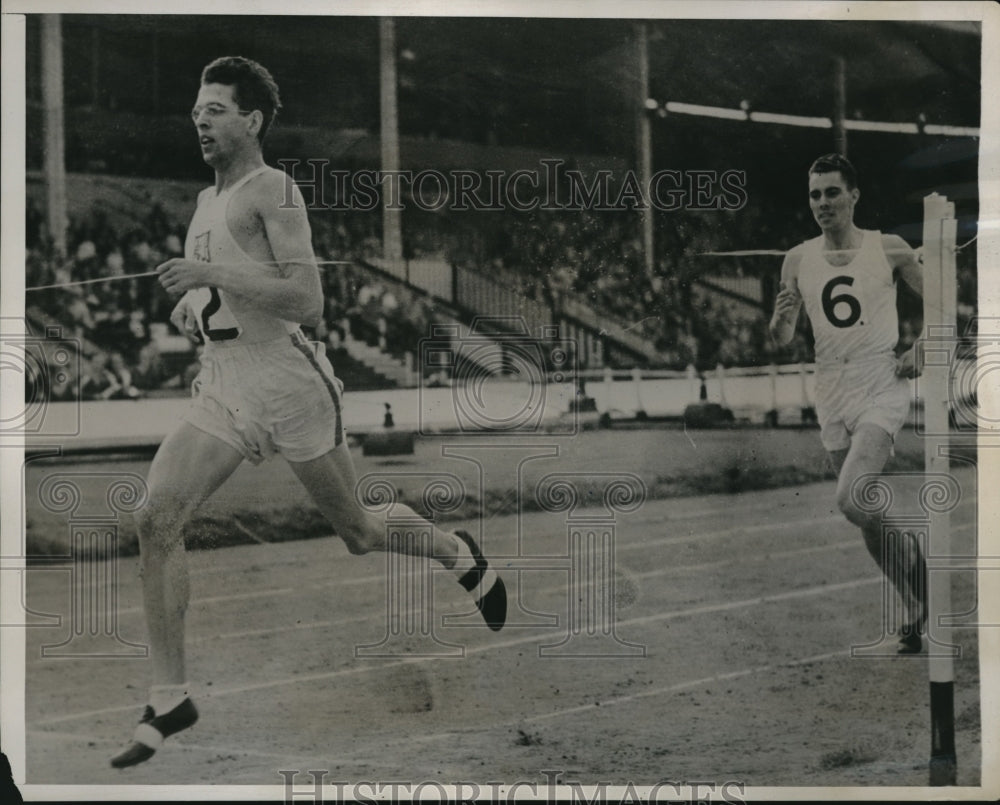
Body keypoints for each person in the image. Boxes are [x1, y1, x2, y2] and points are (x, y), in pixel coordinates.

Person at [111, 57, 506, 769]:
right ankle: (169, 695)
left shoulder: (276, 190)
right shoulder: (205, 204)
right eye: (196, 109)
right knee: (155, 516)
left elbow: (306, 300)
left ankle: (457, 552)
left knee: (357, 530)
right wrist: (194, 302)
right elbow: (228, 292)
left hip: (290, 383)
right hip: (227, 385)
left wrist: (209, 276)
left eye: (215, 109)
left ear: (252, 120)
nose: (198, 119)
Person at [769, 153, 927, 654]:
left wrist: (922, 345)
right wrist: (779, 320)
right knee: (862, 507)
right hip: (830, 391)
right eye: (815, 194)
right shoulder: (797, 258)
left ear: (853, 196)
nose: (822, 203)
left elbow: (942, 299)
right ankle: (915, 603)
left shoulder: (891, 248)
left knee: (851, 498)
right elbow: (782, 336)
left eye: (832, 192)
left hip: (879, 382)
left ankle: (918, 572)